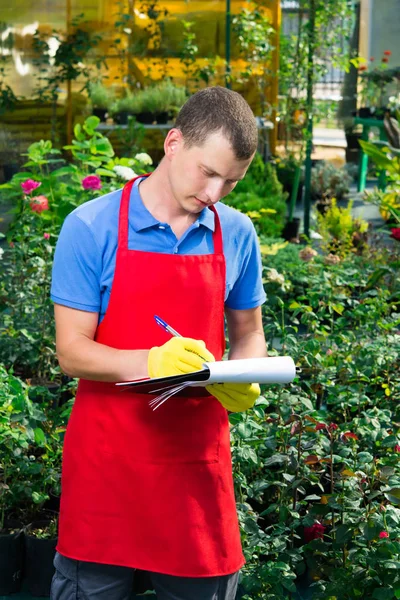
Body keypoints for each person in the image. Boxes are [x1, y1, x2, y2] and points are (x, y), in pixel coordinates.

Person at [50, 86, 267, 600]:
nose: (215, 192)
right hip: (107, 470)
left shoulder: (236, 233)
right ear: (173, 143)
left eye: (231, 181)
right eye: (207, 172)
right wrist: (153, 361)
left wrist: (245, 372)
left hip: (194, 472)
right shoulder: (90, 226)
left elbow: (249, 331)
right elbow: (71, 351)